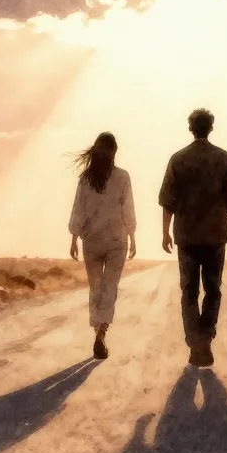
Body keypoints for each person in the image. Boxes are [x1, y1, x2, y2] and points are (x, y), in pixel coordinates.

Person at [158, 108, 227, 367]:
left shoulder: (178, 159)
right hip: (216, 234)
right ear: (211, 127)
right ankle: (205, 338)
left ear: (191, 128)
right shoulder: (224, 158)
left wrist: (165, 232)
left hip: (186, 235)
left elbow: (167, 201)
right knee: (213, 289)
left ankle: (195, 344)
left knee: (189, 290)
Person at [69, 131, 137, 360]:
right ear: (114, 153)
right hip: (117, 241)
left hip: (92, 241)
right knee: (110, 287)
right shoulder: (122, 177)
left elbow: (78, 210)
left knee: (95, 287)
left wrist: (73, 238)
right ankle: (102, 331)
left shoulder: (86, 179)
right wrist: (133, 235)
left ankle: (97, 328)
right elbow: (127, 209)